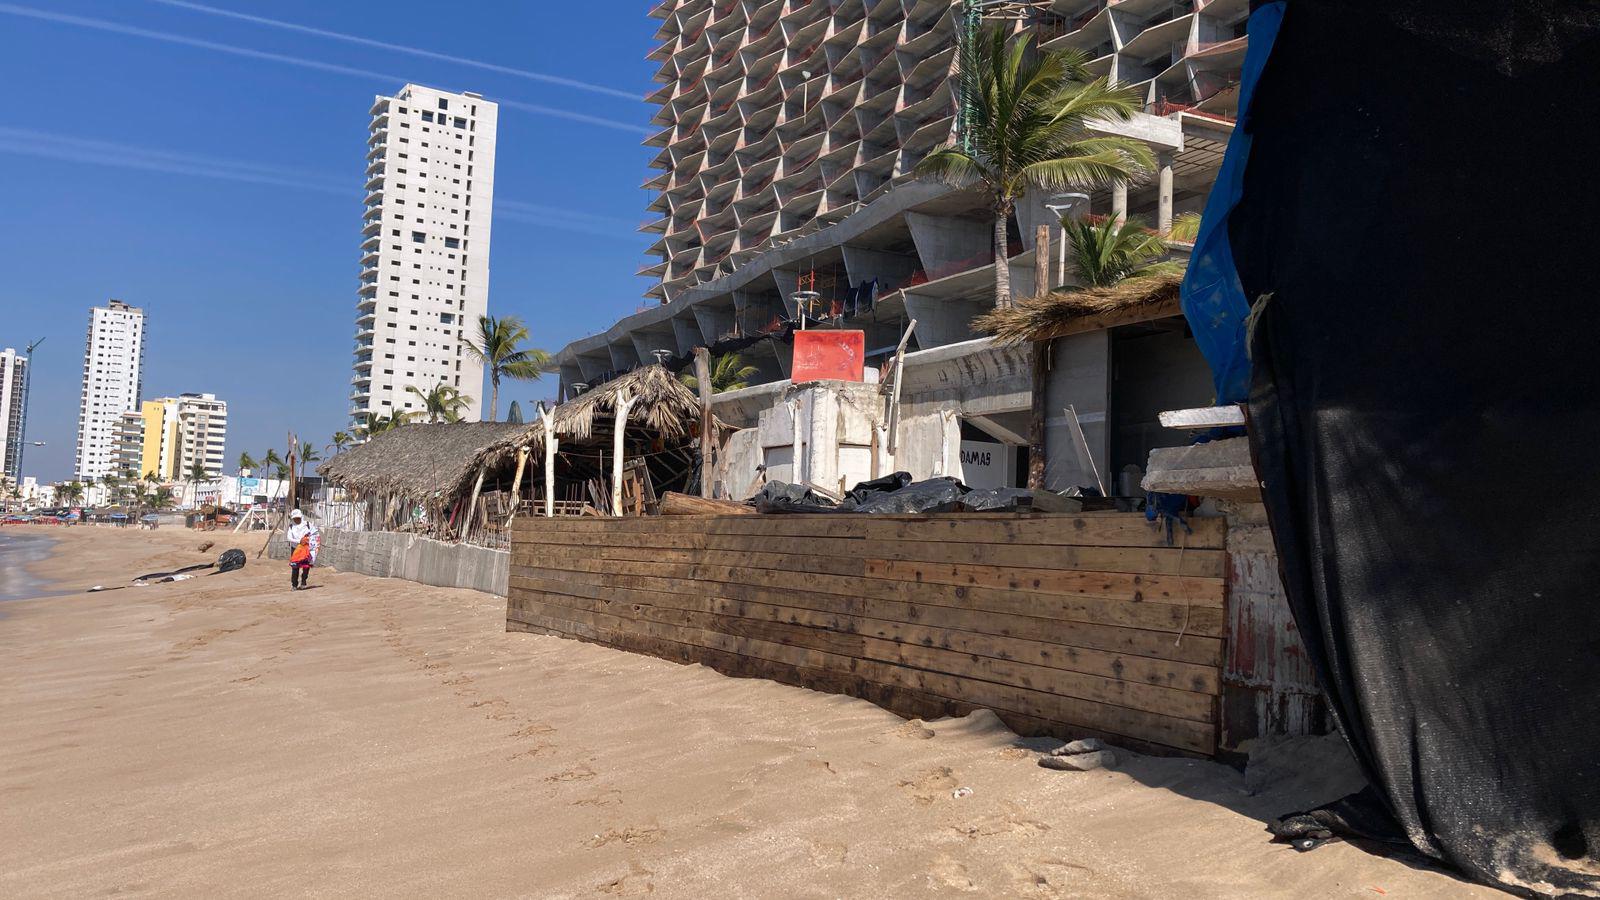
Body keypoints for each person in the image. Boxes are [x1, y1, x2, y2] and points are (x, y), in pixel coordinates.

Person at [284, 508, 320, 590]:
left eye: (298, 518)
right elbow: (289, 538)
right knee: (295, 567)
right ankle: (294, 584)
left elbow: (315, 534)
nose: (297, 520)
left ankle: (304, 581)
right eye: (295, 518)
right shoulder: (291, 527)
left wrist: (310, 543)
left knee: (306, 566)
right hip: (295, 549)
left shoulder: (308, 524)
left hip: (306, 548)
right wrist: (299, 541)